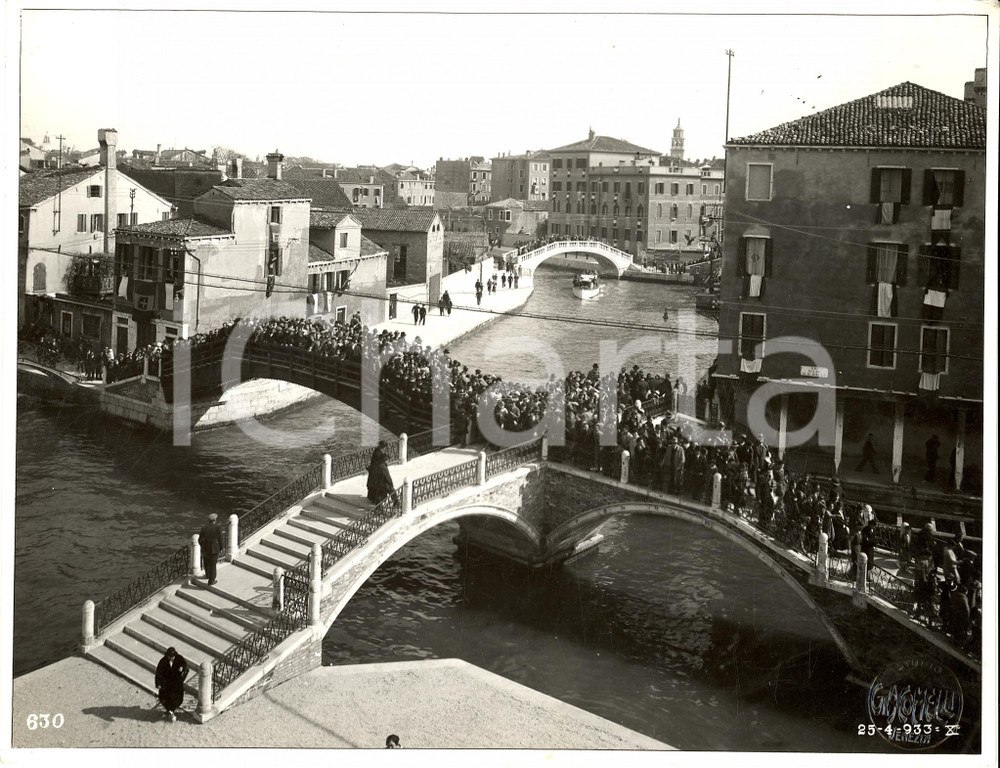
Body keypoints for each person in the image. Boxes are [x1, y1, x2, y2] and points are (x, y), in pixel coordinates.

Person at [155, 647, 189, 722]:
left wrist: (182, 675)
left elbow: (186, 668)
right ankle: (169, 711)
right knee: (164, 697)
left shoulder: (179, 659)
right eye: (170, 656)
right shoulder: (163, 661)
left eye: (173, 656)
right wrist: (159, 683)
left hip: (176, 684)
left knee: (176, 698)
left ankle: (171, 711)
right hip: (166, 684)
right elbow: (158, 673)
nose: (171, 658)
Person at [198, 513, 224, 586]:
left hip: (206, 548)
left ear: (208, 520)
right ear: (215, 520)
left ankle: (208, 575)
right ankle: (211, 581)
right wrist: (221, 548)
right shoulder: (217, 527)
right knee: (213, 565)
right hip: (214, 548)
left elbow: (199, 540)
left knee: (206, 562)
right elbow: (220, 539)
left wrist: (203, 546)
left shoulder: (204, 528)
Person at [366, 440, 395, 504]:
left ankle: (374, 499)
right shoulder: (382, 466)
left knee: (375, 487)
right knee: (388, 489)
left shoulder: (377, 452)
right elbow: (388, 478)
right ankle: (395, 502)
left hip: (375, 473)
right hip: (379, 477)